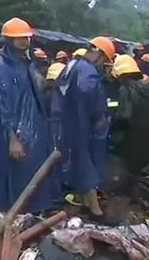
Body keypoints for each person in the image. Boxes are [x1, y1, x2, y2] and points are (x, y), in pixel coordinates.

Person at [0, 17, 59, 214]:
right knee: (17, 175)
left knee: (34, 172)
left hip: (33, 130)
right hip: (17, 134)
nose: (24, 41)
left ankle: (35, 210)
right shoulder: (2, 68)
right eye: (18, 38)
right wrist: (13, 138)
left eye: (26, 38)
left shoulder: (25, 64)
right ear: (9, 40)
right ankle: (17, 213)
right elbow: (4, 106)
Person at [51, 36, 115, 218]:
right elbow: (87, 92)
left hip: (67, 120)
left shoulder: (73, 65)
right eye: (104, 60)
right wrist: (98, 115)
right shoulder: (87, 71)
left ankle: (86, 202)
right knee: (86, 164)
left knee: (79, 162)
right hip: (80, 122)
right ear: (98, 53)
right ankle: (95, 210)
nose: (103, 64)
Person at [109, 54, 149, 209]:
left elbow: (124, 115)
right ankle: (147, 205)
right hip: (146, 140)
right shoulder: (147, 89)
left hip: (128, 142)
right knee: (141, 176)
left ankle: (123, 206)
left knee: (124, 176)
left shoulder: (125, 89)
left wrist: (111, 122)